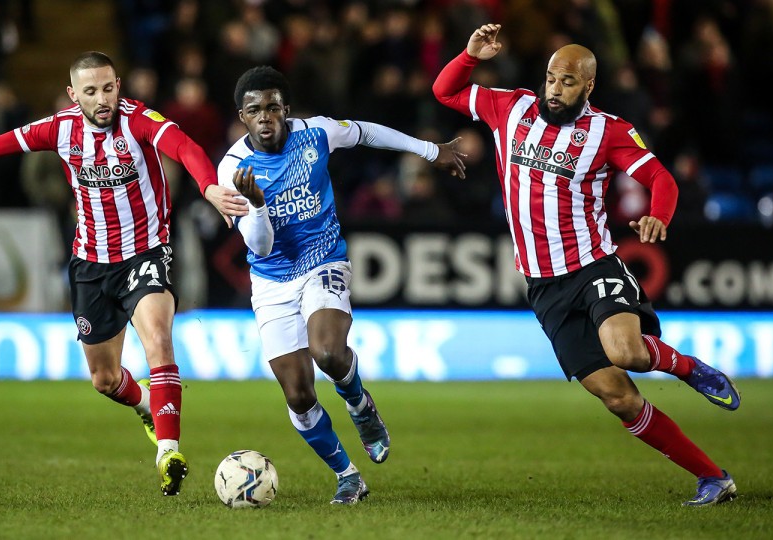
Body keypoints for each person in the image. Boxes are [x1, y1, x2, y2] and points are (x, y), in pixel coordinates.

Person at [0, 51, 249, 496]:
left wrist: (208, 188)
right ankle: (147, 404)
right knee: (105, 380)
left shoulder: (139, 119)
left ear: (118, 84)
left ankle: (168, 451)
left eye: (108, 88)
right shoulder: (60, 128)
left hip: (147, 251)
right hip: (90, 263)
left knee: (158, 340)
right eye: (91, 91)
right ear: (74, 94)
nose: (103, 99)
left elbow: (183, 147)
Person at [432, 24, 741, 507]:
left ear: (589, 86)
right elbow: (444, 90)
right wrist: (470, 55)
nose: (555, 89)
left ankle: (687, 368)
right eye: (551, 78)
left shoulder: (608, 131)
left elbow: (661, 177)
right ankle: (713, 478)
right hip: (544, 287)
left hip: (593, 267)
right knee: (617, 396)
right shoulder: (509, 107)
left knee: (627, 352)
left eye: (568, 82)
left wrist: (659, 215)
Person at [219, 66, 466, 505]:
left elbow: (367, 132)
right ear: (243, 116)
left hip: (323, 261)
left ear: (286, 110)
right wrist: (257, 206)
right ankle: (348, 476)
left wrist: (430, 151)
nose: (265, 117)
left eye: (273, 107)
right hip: (272, 280)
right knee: (297, 394)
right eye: (255, 110)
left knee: (328, 352)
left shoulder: (316, 134)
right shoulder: (234, 168)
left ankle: (359, 405)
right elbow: (260, 243)